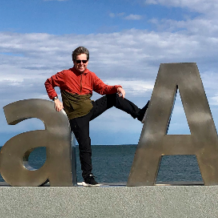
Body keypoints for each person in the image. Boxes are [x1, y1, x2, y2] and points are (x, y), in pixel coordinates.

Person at [45, 46, 148, 186]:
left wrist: (117, 87)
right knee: (85, 144)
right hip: (76, 115)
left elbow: (103, 88)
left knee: (113, 97)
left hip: (90, 109)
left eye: (84, 61)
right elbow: (48, 83)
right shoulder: (65, 75)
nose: (81, 64)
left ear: (87, 61)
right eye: (78, 61)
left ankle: (141, 115)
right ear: (73, 61)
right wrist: (55, 99)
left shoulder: (90, 75)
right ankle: (88, 176)